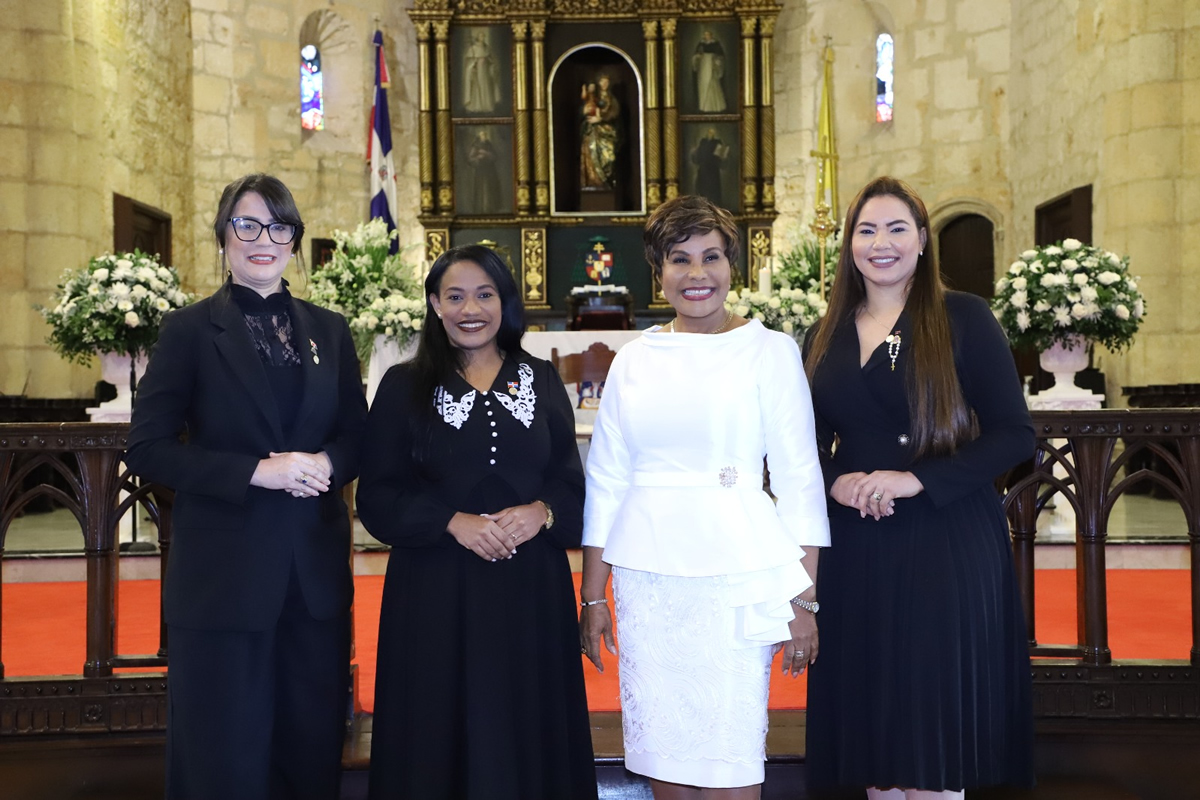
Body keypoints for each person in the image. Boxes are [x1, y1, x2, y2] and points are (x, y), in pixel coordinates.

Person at [126, 173, 367, 799]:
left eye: (278, 226)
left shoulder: (330, 331)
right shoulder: (188, 330)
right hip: (223, 580)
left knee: (308, 748)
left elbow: (357, 436)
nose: (264, 239)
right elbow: (147, 447)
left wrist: (327, 465)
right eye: (248, 225)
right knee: (223, 754)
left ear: (294, 241)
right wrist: (257, 471)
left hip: (312, 579)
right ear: (223, 236)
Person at [580, 195, 830, 799]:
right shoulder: (634, 358)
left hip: (737, 571)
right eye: (680, 259)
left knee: (730, 751)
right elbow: (608, 477)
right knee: (664, 751)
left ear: (732, 265)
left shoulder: (771, 351)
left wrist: (803, 598)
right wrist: (592, 596)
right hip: (648, 579)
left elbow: (798, 477)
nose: (698, 275)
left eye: (711, 257)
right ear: (657, 271)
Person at [802, 176, 1035, 798]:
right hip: (857, 549)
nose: (881, 243)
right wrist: (838, 483)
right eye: (867, 230)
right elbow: (800, 453)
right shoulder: (822, 334)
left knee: (932, 738)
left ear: (924, 240)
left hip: (944, 538)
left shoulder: (961, 317)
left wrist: (914, 479)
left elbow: (1015, 435)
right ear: (849, 244)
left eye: (897, 228)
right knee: (876, 741)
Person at [357, 244, 597, 800]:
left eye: (485, 294)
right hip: (435, 592)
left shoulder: (539, 379)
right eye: (456, 295)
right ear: (435, 305)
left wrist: (543, 512)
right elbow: (378, 495)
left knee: (526, 718)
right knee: (437, 723)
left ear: (505, 304)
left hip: (529, 593)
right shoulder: (402, 385)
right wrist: (450, 522)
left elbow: (572, 484)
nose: (471, 308)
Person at [580, 73, 621, 190]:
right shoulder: (593, 98)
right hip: (592, 131)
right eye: (602, 82)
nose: (604, 84)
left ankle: (606, 180)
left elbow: (614, 114)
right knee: (590, 153)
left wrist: (601, 118)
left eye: (606, 82)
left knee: (608, 157)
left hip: (607, 132)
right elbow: (584, 112)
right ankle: (593, 182)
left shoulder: (612, 100)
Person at [692, 29, 727, 113]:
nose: (706, 36)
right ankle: (704, 106)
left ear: (711, 36)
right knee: (703, 84)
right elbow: (696, 56)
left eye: (708, 35)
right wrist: (698, 57)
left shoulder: (716, 44)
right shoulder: (701, 44)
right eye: (705, 35)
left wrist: (716, 61)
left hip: (712, 65)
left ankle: (715, 107)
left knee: (713, 83)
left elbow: (721, 56)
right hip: (703, 66)